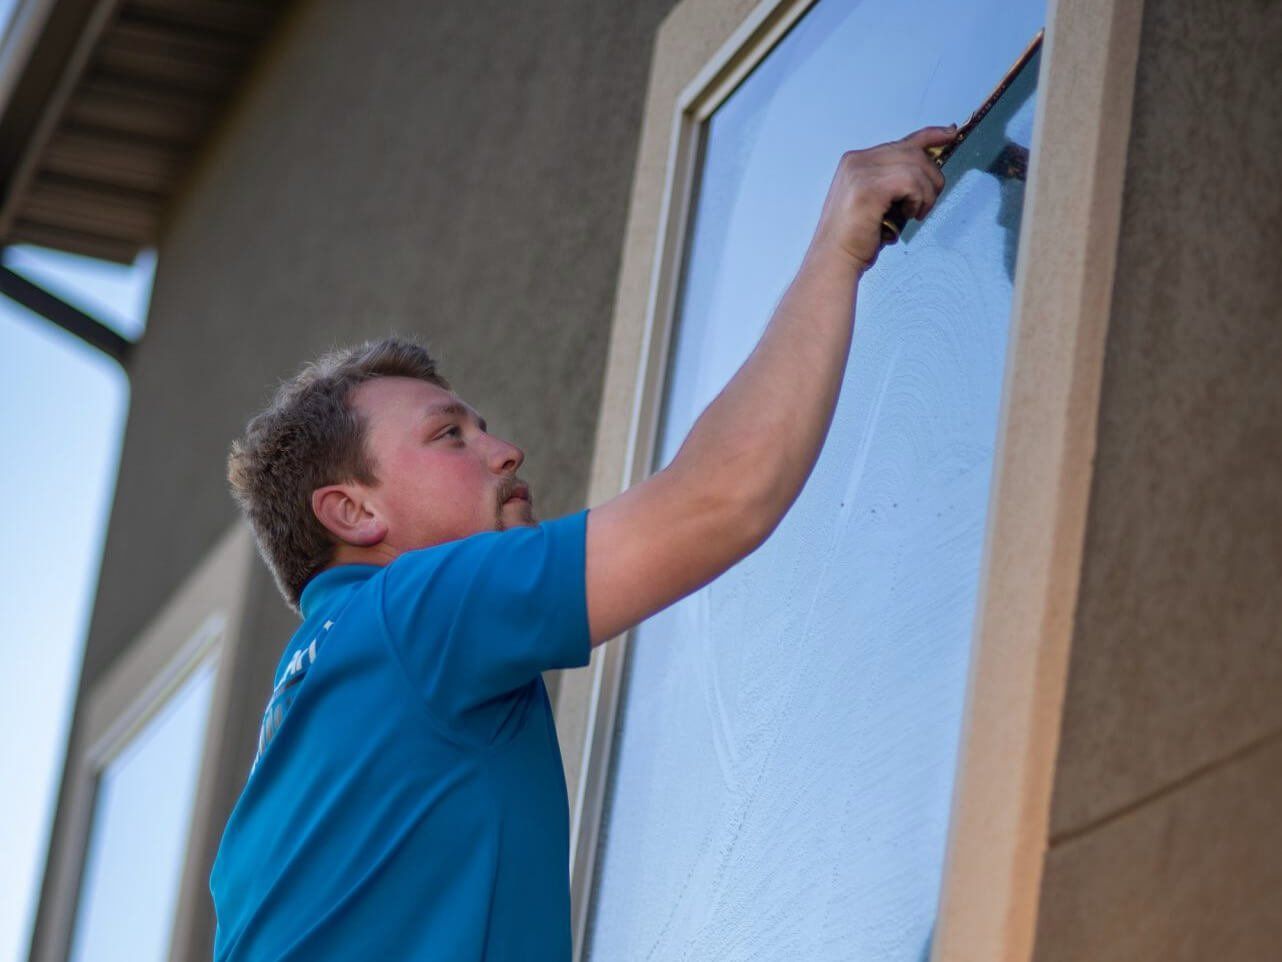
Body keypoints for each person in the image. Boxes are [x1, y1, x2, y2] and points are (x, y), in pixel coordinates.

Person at [208, 124, 953, 961]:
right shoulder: (411, 614)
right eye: (450, 436)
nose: (504, 449)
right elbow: (722, 497)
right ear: (352, 514)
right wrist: (839, 241)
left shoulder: (312, 710)